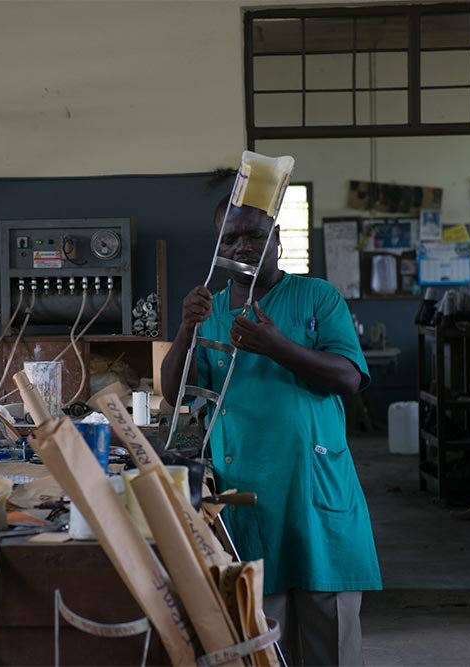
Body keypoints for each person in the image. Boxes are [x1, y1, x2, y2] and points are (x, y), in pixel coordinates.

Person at [161, 196, 381, 667]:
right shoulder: (211, 309)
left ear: (277, 240)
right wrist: (185, 330)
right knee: (262, 643)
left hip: (313, 487)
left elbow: (348, 378)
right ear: (218, 247)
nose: (243, 246)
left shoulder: (317, 297)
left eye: (255, 235)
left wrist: (277, 346)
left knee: (329, 636)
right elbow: (176, 394)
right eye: (230, 238)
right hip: (248, 496)